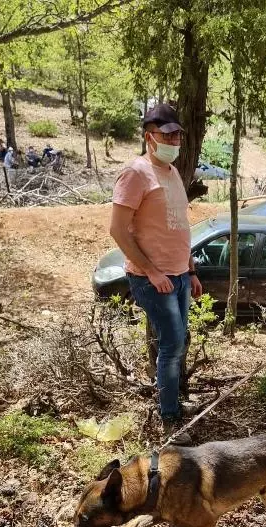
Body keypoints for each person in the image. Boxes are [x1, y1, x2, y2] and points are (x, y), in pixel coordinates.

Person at [110, 103, 203, 443]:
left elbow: (179, 226)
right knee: (172, 344)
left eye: (177, 133)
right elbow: (118, 230)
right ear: (150, 137)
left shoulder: (173, 172)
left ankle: (173, 402)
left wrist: (190, 270)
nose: (174, 139)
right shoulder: (135, 173)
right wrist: (151, 272)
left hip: (178, 275)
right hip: (152, 277)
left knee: (178, 344)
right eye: (167, 134)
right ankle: (170, 420)